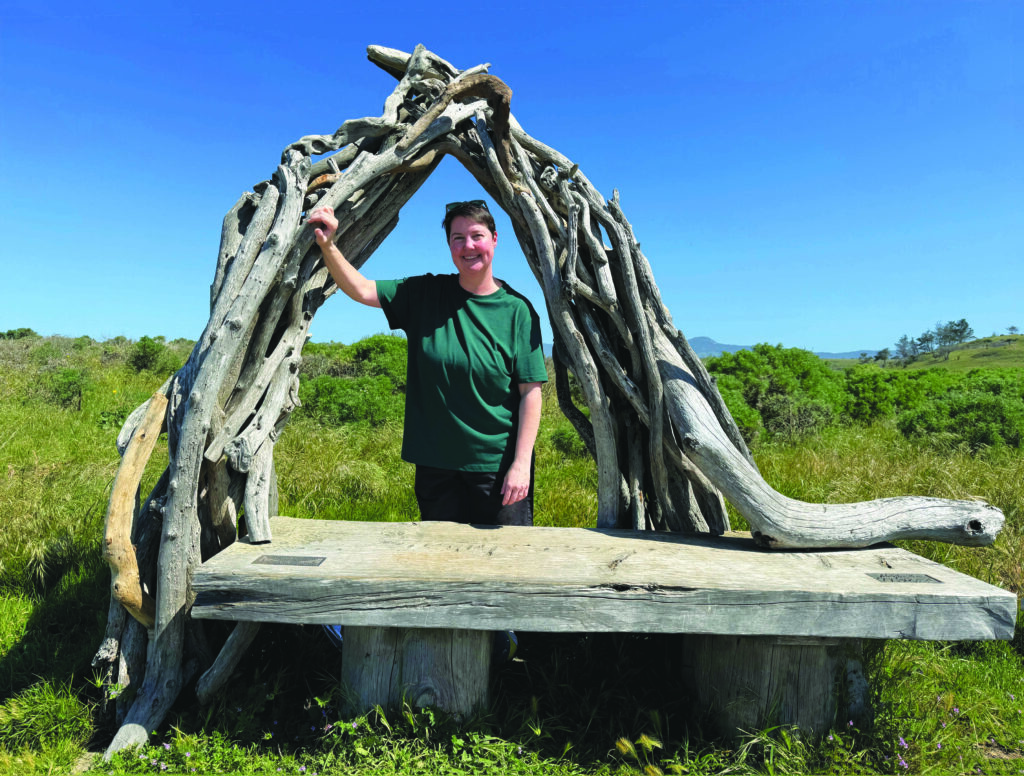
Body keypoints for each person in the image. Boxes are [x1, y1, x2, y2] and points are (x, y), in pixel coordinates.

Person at [307, 199, 548, 526]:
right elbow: (362, 290)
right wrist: (328, 245)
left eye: (477, 235)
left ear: (494, 238)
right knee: (439, 565)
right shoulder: (425, 294)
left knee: (506, 566)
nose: (468, 246)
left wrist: (521, 465)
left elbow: (530, 393)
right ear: (449, 245)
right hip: (436, 469)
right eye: (457, 238)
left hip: (498, 469)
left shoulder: (518, 310)